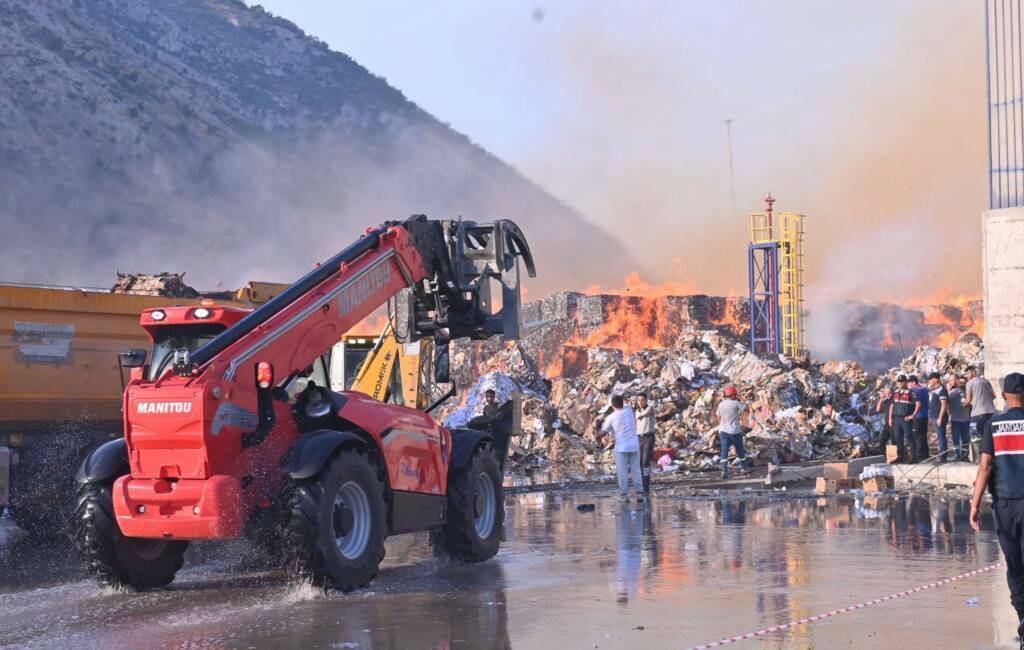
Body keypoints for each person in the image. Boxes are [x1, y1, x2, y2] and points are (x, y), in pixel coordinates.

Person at [970, 372, 1024, 646]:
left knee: (1015, 567)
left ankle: (1023, 617)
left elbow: (984, 466)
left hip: (1005, 505)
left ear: (1003, 396)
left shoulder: (994, 424)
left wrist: (975, 504)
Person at [601, 395, 644, 501]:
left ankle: (624, 496)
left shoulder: (610, 417)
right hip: (634, 446)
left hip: (621, 448)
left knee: (622, 472)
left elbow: (603, 432)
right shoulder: (629, 410)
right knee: (636, 471)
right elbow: (627, 401)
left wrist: (597, 435)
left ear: (612, 405)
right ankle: (639, 494)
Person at [716, 385, 747, 480]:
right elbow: (746, 409)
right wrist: (743, 400)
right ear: (733, 395)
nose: (736, 396)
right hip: (735, 431)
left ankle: (724, 471)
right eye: (735, 395)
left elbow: (718, 416)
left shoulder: (721, 404)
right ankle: (744, 468)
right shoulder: (736, 403)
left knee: (724, 452)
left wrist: (723, 424)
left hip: (723, 432)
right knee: (740, 450)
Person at [965, 366, 998, 455]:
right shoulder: (986, 381)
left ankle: (979, 459)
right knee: (989, 437)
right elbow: (994, 396)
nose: (967, 376)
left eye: (967, 374)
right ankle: (991, 458)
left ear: (971, 373)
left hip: (977, 414)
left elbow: (968, 401)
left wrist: (963, 405)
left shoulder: (970, 383)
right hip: (991, 413)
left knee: (975, 438)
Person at [634, 393, 656, 496]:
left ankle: (646, 485)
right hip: (639, 438)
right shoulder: (636, 411)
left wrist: (642, 415)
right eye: (639, 400)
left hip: (648, 437)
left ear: (646, 400)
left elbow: (648, 413)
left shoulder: (650, 409)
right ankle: (640, 485)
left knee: (645, 462)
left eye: (643, 400)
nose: (641, 402)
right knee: (638, 463)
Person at [889, 375, 914, 463]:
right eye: (899, 381)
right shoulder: (895, 392)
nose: (900, 383)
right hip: (897, 418)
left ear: (905, 382)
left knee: (909, 437)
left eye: (902, 381)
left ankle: (913, 457)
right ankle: (900, 457)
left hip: (905, 418)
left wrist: (913, 415)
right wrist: (890, 418)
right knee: (898, 438)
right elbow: (892, 406)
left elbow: (918, 404)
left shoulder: (910, 392)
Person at [927, 372, 950, 461]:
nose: (929, 381)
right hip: (934, 416)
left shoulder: (942, 390)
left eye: (931, 379)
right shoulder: (934, 389)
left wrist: (940, 417)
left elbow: (944, 405)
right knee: (939, 436)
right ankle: (941, 455)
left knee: (941, 436)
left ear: (936, 379)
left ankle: (943, 457)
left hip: (939, 417)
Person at [948, 374, 971, 462]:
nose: (962, 384)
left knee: (965, 439)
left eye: (963, 382)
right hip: (955, 419)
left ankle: (964, 456)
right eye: (960, 382)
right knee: (956, 439)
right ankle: (958, 455)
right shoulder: (954, 392)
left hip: (965, 419)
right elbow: (946, 399)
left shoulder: (968, 392)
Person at [907, 375, 930, 463]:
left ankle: (920, 455)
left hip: (918, 416)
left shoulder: (914, 391)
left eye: (909, 382)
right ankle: (926, 454)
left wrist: (913, 415)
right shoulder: (924, 389)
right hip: (925, 416)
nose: (908, 384)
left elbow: (918, 404)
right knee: (923, 436)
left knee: (917, 436)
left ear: (913, 382)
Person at [875, 386, 894, 451]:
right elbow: (878, 409)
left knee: (894, 441)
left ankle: (896, 456)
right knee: (882, 440)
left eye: (889, 393)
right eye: (886, 393)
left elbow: (892, 409)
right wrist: (881, 398)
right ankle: (883, 454)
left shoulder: (894, 400)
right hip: (887, 424)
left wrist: (890, 419)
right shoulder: (886, 401)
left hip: (894, 424)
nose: (888, 395)